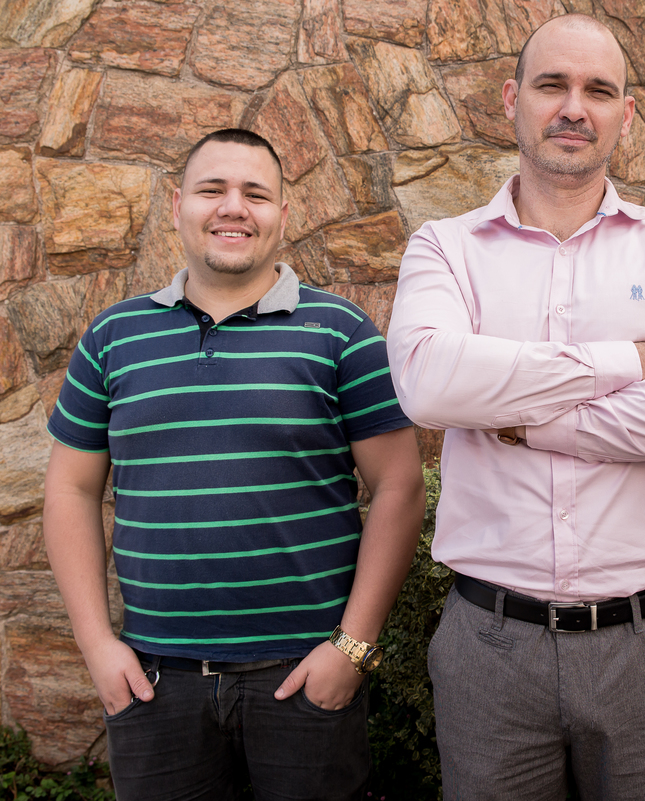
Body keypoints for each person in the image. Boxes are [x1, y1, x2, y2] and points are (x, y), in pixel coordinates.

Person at [386, 13, 645, 800]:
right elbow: (429, 383)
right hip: (490, 642)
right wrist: (629, 363)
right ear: (511, 99)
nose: (574, 107)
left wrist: (531, 418)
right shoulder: (446, 248)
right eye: (552, 84)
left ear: (627, 113)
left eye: (599, 90)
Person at [43, 128, 425, 800]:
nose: (233, 207)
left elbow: (399, 485)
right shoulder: (112, 336)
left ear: (284, 214)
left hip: (303, 678)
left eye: (256, 193)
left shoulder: (341, 333)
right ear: (177, 206)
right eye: (212, 189)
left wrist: (352, 648)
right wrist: (97, 646)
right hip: (154, 683)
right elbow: (70, 490)